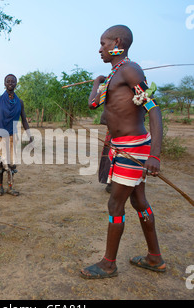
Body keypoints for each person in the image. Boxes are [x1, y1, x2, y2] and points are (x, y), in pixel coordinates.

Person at [80, 25, 165, 279]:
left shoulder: (129, 69)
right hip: (122, 147)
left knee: (115, 203)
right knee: (139, 201)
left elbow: (154, 109)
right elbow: (93, 103)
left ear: (117, 42)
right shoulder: (115, 74)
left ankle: (108, 264)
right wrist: (97, 81)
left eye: (103, 44)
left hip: (133, 146)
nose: (100, 49)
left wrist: (155, 155)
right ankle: (155, 257)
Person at [0, 74, 32, 196]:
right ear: (4, 83)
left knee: (11, 163)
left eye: (13, 81)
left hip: (12, 136)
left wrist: (29, 135)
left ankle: (10, 187)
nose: (10, 83)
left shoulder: (20, 102)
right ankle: (0, 187)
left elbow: (24, 120)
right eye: (8, 81)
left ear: (16, 84)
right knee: (0, 162)